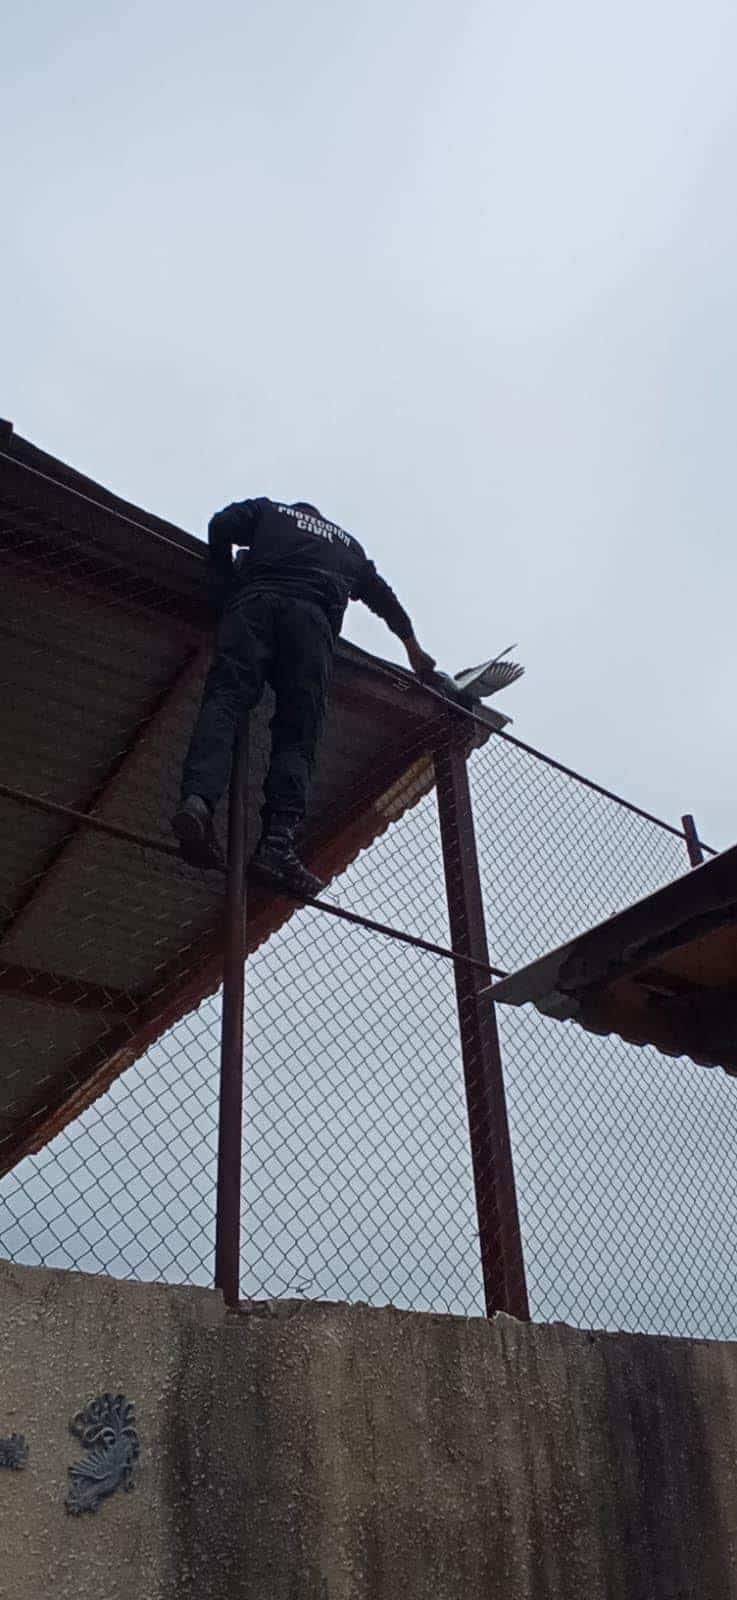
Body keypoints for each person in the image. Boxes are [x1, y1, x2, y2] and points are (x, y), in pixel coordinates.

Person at [173, 497, 435, 897]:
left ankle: (197, 803)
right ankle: (277, 844)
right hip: (310, 626)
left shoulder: (268, 511)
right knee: (298, 734)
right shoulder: (347, 544)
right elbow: (385, 600)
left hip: (255, 605)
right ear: (321, 518)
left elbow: (221, 524)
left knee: (225, 702)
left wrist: (225, 587)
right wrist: (412, 648)